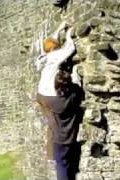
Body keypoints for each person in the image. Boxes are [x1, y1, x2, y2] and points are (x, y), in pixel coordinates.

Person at [35, 21, 76, 160]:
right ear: (54, 49)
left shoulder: (43, 56)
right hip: (51, 98)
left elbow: (51, 42)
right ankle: (64, 147)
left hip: (40, 96)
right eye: (57, 47)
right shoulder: (54, 56)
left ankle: (51, 154)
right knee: (69, 104)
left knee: (52, 124)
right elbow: (70, 49)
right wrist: (69, 34)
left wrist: (59, 29)